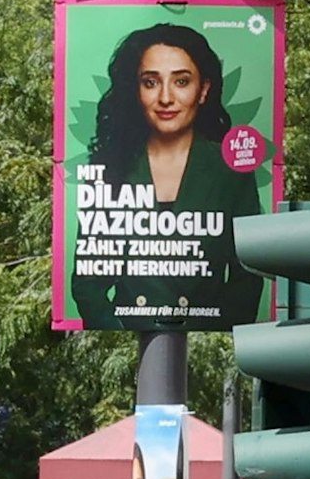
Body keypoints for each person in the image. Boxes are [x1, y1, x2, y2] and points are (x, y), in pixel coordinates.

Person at [70, 24, 267, 330]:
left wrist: (215, 333)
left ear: (203, 90)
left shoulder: (229, 168)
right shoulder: (110, 170)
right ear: (135, 91)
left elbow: (248, 272)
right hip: (128, 343)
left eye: (181, 81)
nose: (165, 97)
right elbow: (87, 282)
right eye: (151, 82)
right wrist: (119, 331)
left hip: (206, 344)